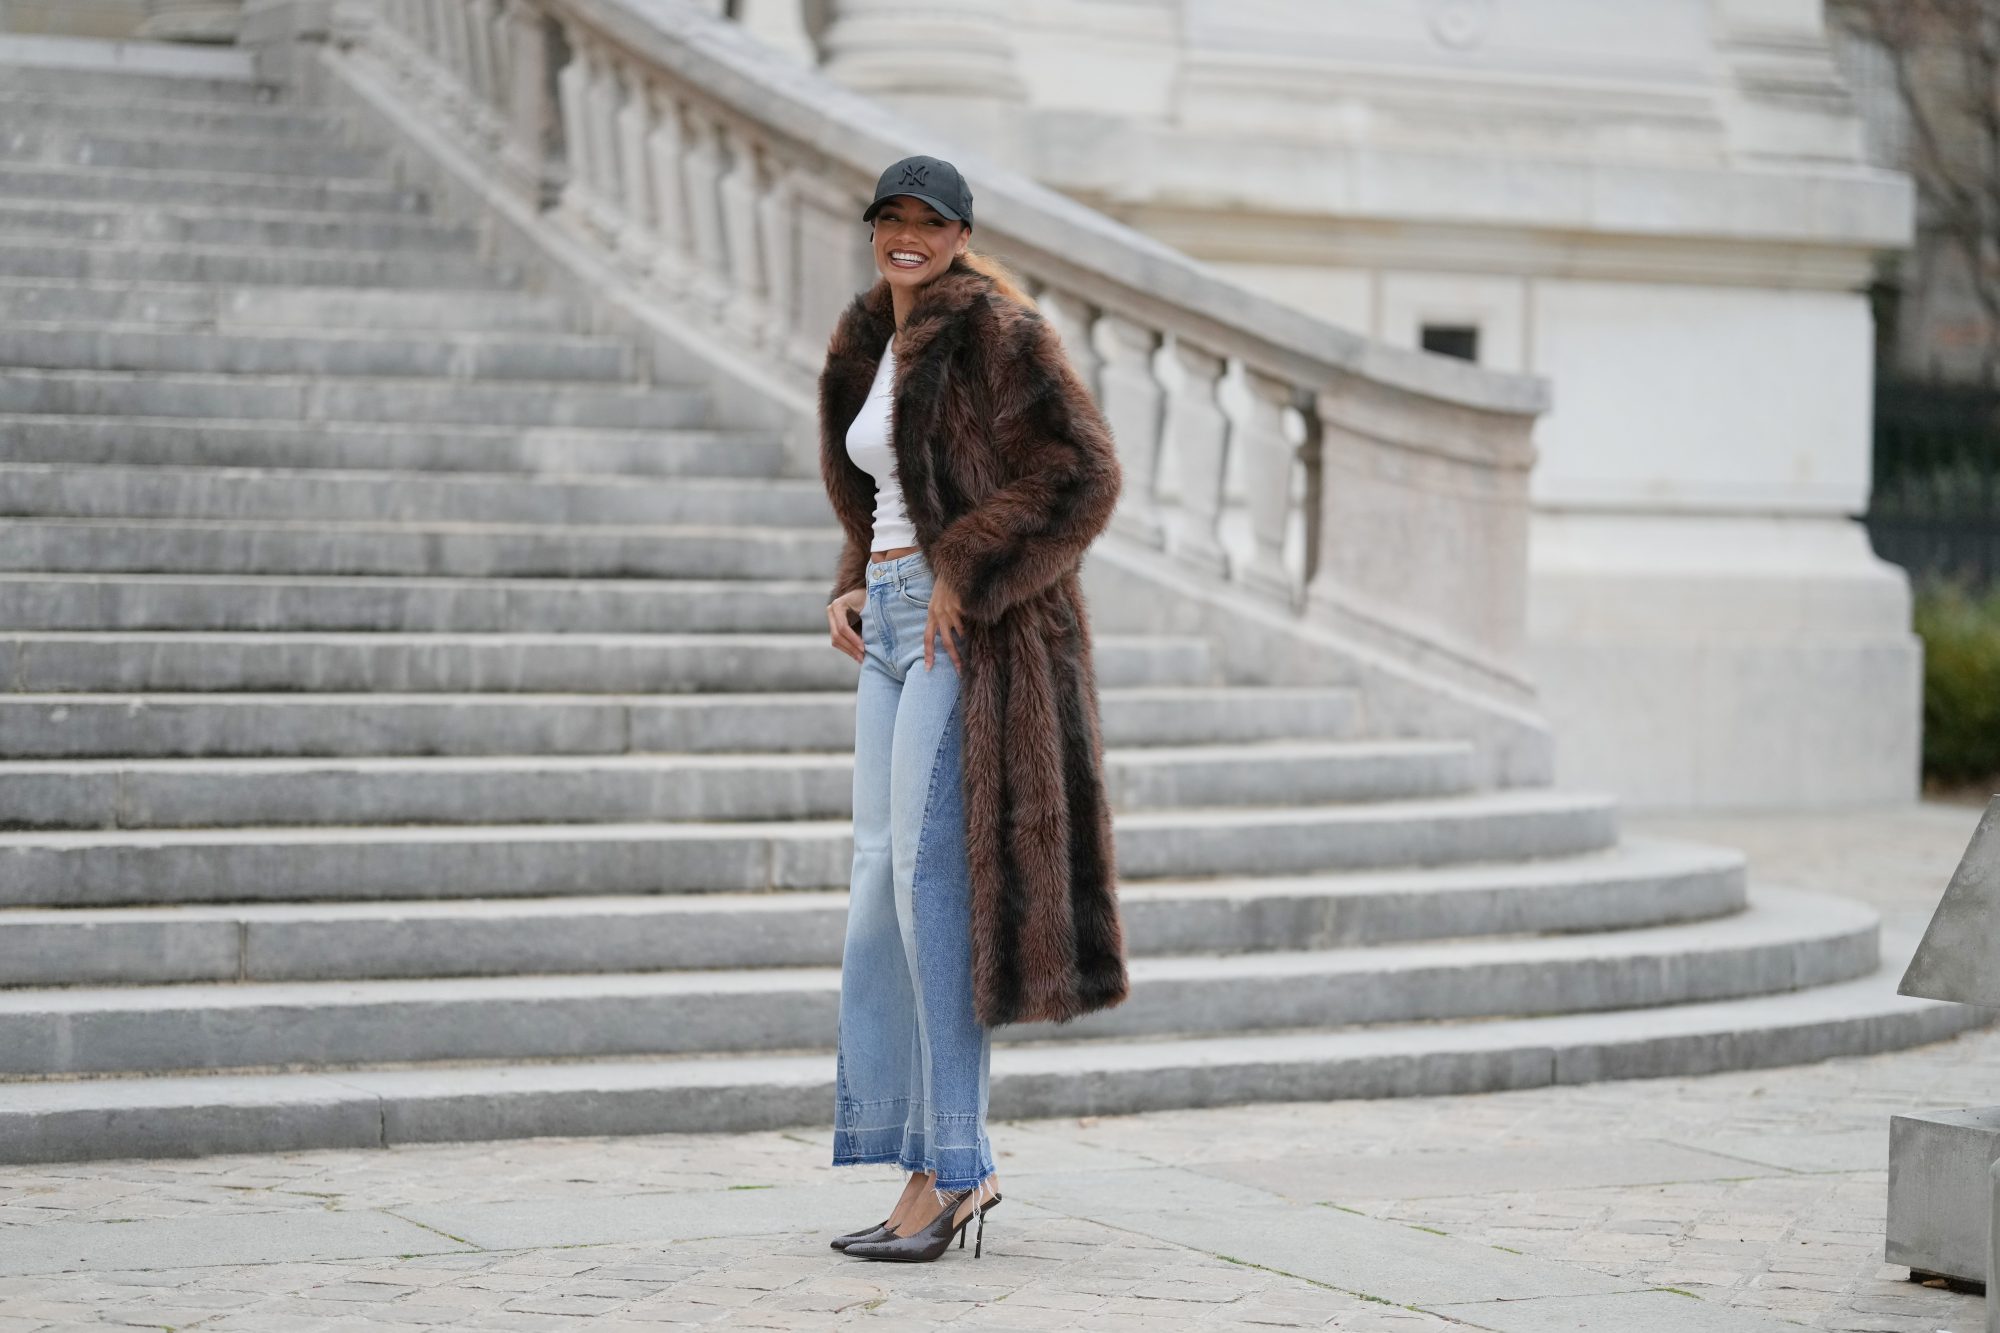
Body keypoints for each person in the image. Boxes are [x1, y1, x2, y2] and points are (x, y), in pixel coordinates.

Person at [816, 153, 1131, 1263]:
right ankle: (914, 1160)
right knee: (872, 891)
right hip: (889, 627)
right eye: (888, 219)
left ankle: (955, 1167)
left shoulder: (998, 330)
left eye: (927, 222)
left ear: (958, 234)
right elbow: (883, 481)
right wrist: (858, 571)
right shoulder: (867, 338)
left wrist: (960, 569)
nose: (905, 236)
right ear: (874, 231)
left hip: (965, 631)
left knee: (926, 891)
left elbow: (1082, 472)